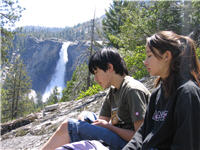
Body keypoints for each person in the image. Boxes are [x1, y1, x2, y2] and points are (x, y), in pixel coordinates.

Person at [41, 48, 151, 150]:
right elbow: (101, 121)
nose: (95, 79)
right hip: (117, 137)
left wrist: (109, 127)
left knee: (69, 126)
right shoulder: (113, 91)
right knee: (85, 115)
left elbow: (141, 136)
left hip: (130, 145)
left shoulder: (132, 90)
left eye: (96, 72)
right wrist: (92, 123)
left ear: (109, 68)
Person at [123, 31, 200, 150]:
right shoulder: (157, 93)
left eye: (149, 56)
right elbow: (142, 134)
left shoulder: (187, 93)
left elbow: (186, 144)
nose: (145, 62)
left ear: (166, 56)